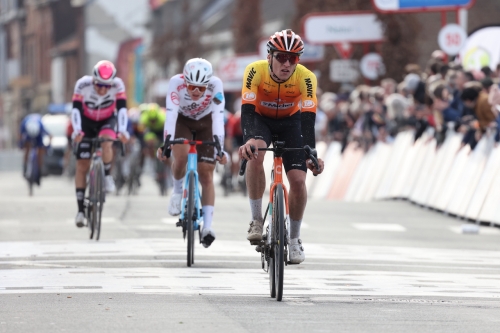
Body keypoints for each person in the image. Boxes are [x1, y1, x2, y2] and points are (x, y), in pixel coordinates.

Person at [238, 29, 324, 264]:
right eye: (281, 57)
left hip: (291, 122)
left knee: (297, 180)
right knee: (255, 153)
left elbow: (308, 117)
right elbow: (246, 109)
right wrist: (247, 140)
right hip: (260, 120)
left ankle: (294, 239)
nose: (287, 64)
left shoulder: (306, 77)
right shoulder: (254, 71)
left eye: (293, 58)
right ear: (270, 57)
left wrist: (311, 152)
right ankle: (256, 220)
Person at [157, 58, 227, 248]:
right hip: (182, 121)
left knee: (206, 174)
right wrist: (166, 144)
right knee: (180, 157)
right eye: (192, 87)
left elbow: (218, 118)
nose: (196, 91)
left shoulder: (216, 85)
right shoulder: (175, 83)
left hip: (206, 123)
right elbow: (170, 115)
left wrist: (220, 148)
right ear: (185, 80)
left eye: (201, 88)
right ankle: (178, 191)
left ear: (208, 84)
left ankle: (208, 228)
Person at [71, 60, 129, 227]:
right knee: (82, 165)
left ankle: (107, 175)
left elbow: (122, 110)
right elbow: (75, 110)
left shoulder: (118, 85)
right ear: (93, 80)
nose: (103, 89)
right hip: (86, 122)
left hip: (106, 121)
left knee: (107, 142)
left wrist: (123, 131)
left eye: (107, 86)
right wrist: (77, 130)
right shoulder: (82, 84)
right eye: (99, 85)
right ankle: (81, 210)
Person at [19, 113, 51, 184]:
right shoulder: (24, 124)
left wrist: (48, 146)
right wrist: (21, 144)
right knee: (27, 149)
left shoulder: (40, 126)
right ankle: (25, 167)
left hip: (38, 136)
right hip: (28, 135)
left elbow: (50, 136)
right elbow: (20, 135)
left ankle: (39, 171)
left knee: (40, 152)